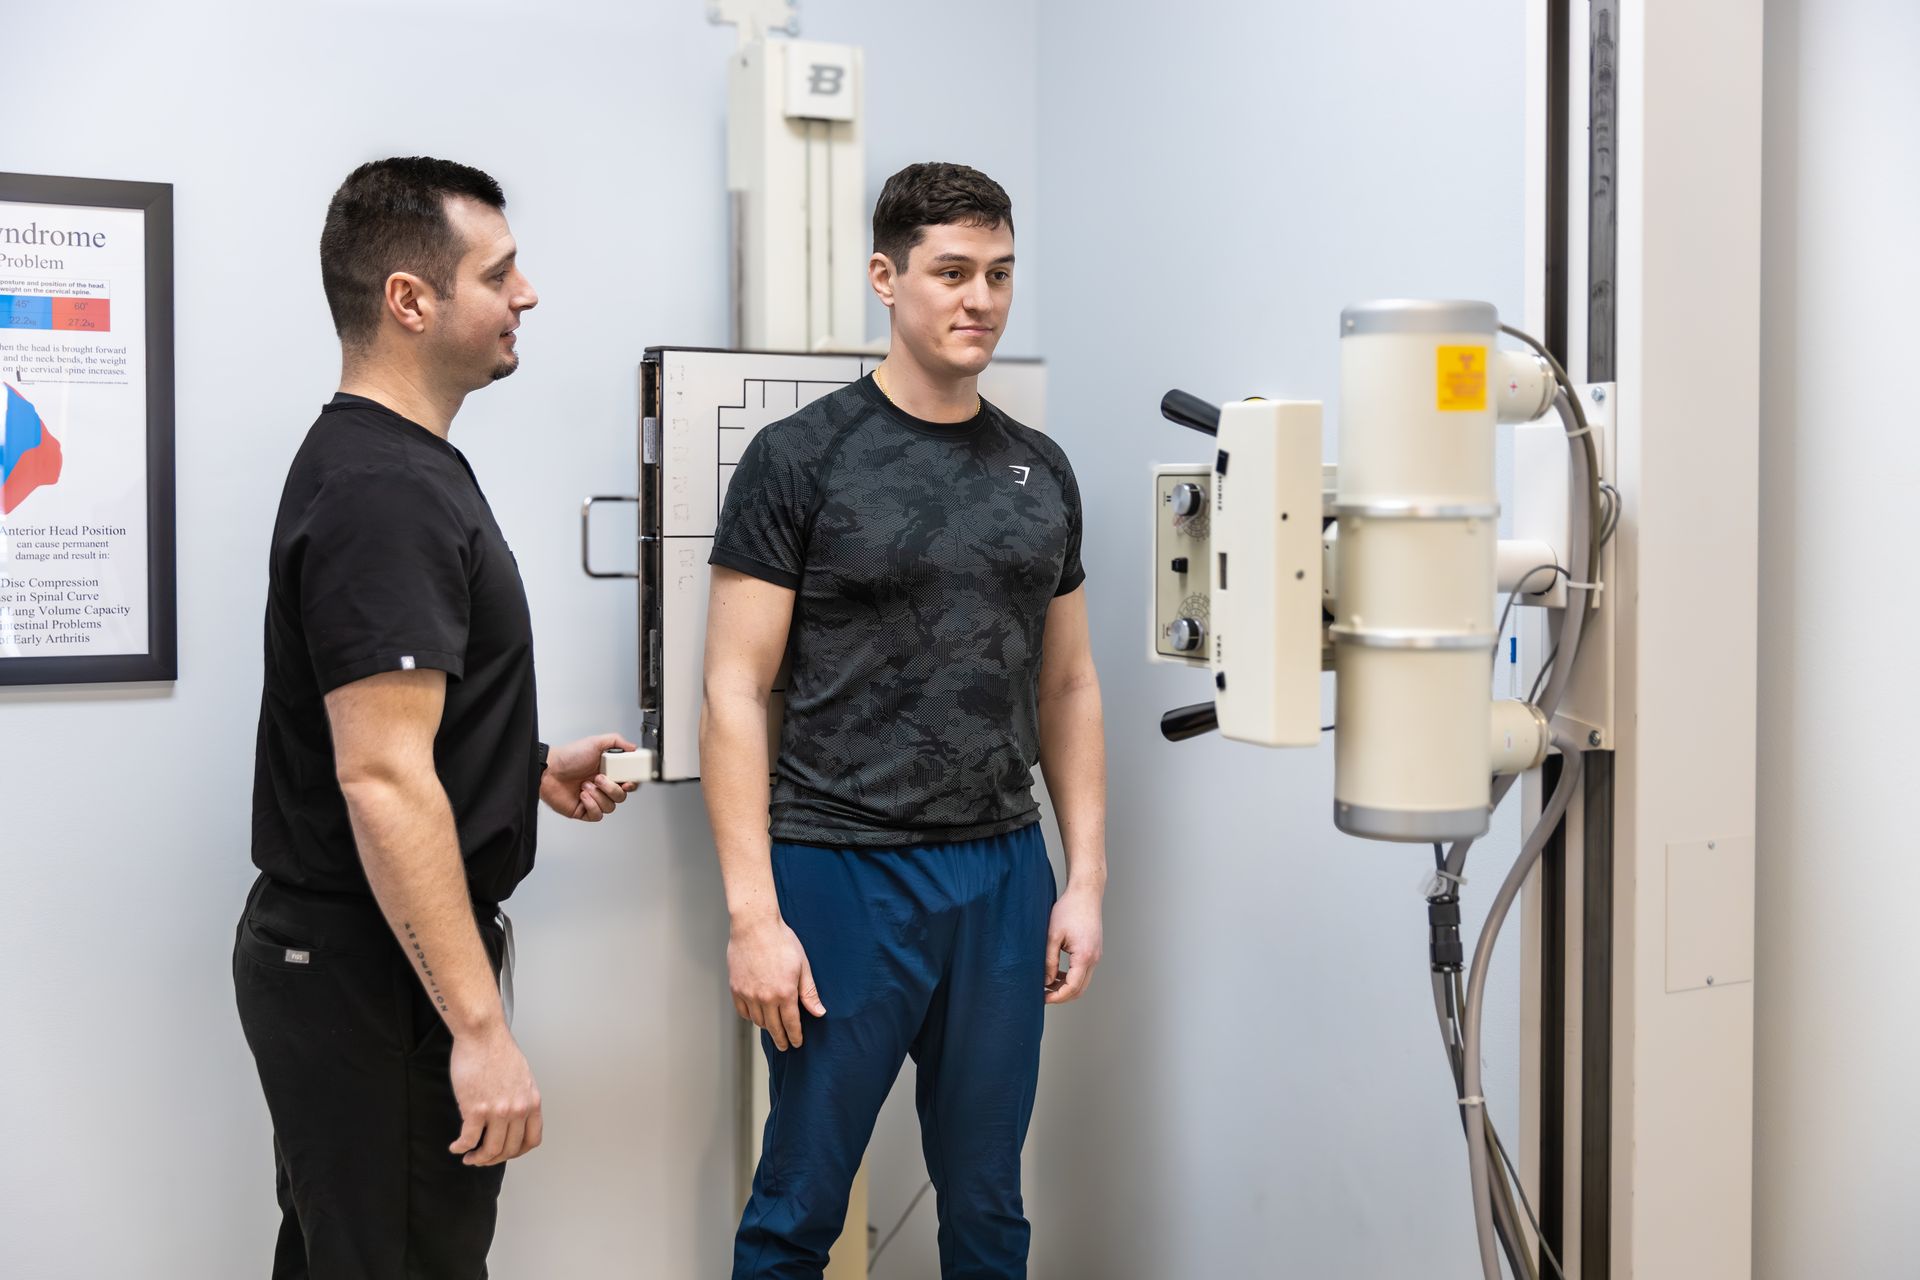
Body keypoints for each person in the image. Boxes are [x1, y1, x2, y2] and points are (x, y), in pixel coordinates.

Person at [702, 161, 1109, 1279]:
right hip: (843, 866)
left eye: (999, 274)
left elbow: (1067, 685)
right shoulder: (801, 459)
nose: (979, 298)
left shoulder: (1041, 470)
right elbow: (733, 688)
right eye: (951, 272)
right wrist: (752, 914)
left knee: (987, 1202)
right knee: (800, 1201)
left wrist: (1084, 877)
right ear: (886, 278)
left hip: (1001, 868)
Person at [233, 156, 637, 1279]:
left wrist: (521, 763)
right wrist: (477, 1027)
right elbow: (379, 778)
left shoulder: (399, 464)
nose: (529, 293)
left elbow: (395, 740)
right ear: (411, 300)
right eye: (499, 271)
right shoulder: (384, 489)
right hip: (370, 972)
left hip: (350, 958)